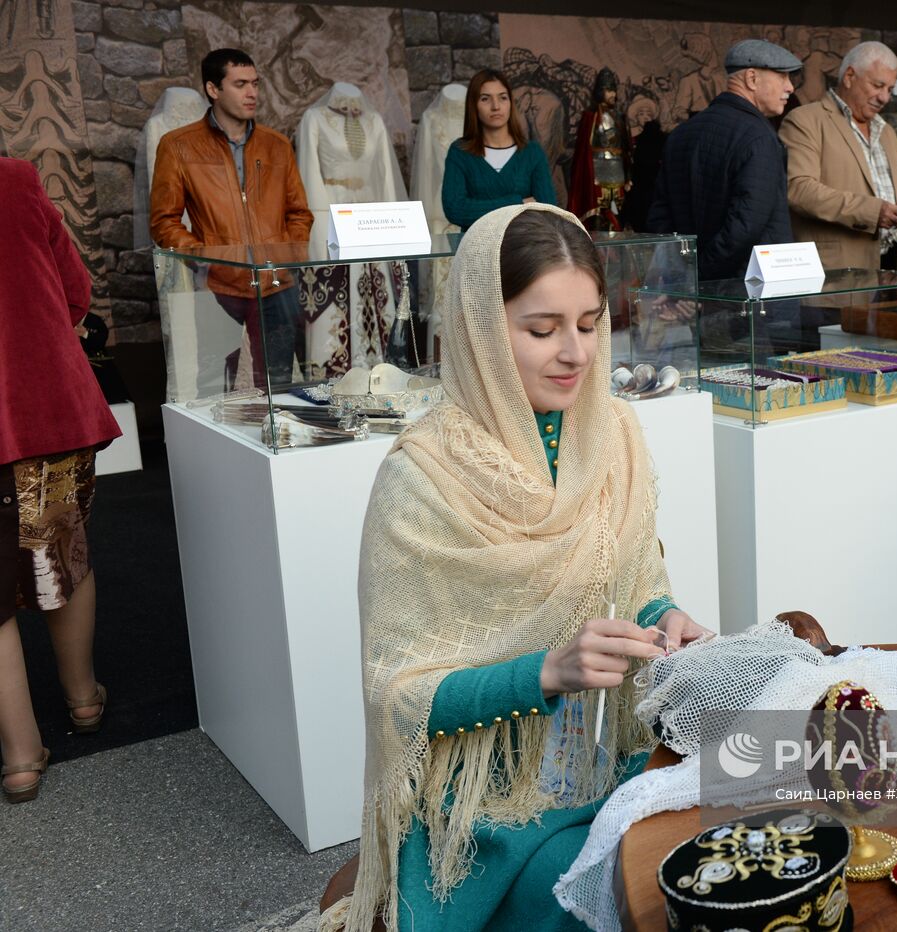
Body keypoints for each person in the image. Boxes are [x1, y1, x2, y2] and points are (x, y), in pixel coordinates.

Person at [329, 204, 710, 932]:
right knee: (594, 896)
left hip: (616, 756)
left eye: (591, 324)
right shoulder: (423, 479)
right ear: (481, 330)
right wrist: (543, 674)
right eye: (542, 330)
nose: (575, 353)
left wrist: (665, 621)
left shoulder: (615, 435)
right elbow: (398, 697)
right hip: (487, 807)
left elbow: (635, 584)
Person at [1, 157, 121, 803]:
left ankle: (20, 755)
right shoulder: (16, 179)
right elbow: (75, 290)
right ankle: (82, 700)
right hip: (41, 402)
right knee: (61, 552)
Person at [149, 48, 313, 389]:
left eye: (255, 83)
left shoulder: (277, 145)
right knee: (215, 385)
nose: (252, 93)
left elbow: (299, 213)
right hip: (217, 287)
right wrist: (206, 257)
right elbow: (164, 221)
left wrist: (286, 255)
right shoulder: (179, 145)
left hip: (277, 283)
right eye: (240, 84)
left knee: (279, 384)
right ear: (213, 89)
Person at [780, 41, 897, 272]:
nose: (884, 98)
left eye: (890, 90)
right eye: (878, 85)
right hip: (832, 274)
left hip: (888, 271)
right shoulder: (804, 121)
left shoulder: (886, 131)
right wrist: (872, 212)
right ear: (849, 76)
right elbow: (798, 189)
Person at [648, 39, 801, 280]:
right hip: (749, 297)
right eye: (782, 77)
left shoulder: (681, 134)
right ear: (752, 78)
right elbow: (745, 226)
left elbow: (659, 217)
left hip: (693, 295)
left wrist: (684, 277)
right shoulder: (759, 138)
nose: (790, 87)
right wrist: (700, 278)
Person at [442, 70, 557, 231]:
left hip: (524, 248)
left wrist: (479, 208)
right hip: (476, 249)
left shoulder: (532, 152)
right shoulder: (460, 152)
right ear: (473, 105)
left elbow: (548, 209)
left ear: (510, 102)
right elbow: (455, 210)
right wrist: (519, 203)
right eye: (485, 99)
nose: (496, 106)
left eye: (502, 98)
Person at [566, 68, 630, 230]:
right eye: (609, 90)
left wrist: (628, 176)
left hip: (617, 172)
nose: (613, 94)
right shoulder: (590, 117)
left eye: (614, 90)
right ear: (600, 91)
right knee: (597, 217)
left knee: (616, 215)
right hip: (596, 174)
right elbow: (583, 152)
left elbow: (626, 149)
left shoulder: (618, 117)